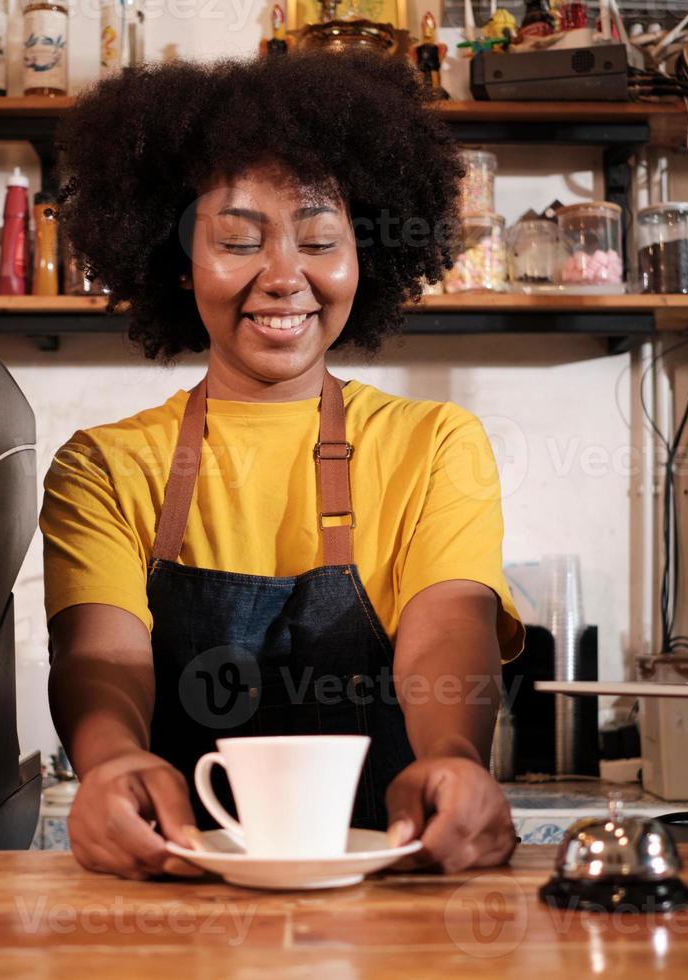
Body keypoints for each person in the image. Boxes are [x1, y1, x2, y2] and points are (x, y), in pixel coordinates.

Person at [42, 51, 526, 880]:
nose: (283, 277)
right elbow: (103, 656)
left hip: (391, 890)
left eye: (319, 238)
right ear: (177, 262)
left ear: (363, 253)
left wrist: (456, 758)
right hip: (175, 888)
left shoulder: (435, 443)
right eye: (237, 240)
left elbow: (448, 625)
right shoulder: (106, 465)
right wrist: (111, 760)